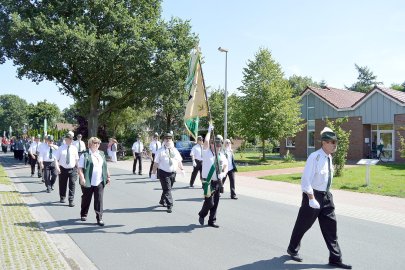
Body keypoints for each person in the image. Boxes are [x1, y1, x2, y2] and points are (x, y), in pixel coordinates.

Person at [286, 127, 352, 269]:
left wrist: (326, 196)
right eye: (332, 142)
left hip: (327, 196)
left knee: (331, 228)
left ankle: (335, 258)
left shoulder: (329, 157)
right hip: (313, 196)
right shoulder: (314, 157)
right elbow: (305, 181)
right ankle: (292, 248)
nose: (335, 145)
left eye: (336, 142)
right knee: (303, 225)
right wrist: (311, 198)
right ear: (324, 143)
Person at [198, 125, 227, 228]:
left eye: (219, 145)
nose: (217, 146)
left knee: (216, 203)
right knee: (209, 202)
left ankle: (212, 221)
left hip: (217, 182)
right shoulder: (206, 153)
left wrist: (223, 174)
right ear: (211, 144)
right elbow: (205, 142)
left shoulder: (222, 156)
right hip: (208, 182)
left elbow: (226, 166)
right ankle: (202, 214)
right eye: (215, 144)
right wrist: (209, 130)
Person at [78, 137, 111, 226]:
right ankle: (84, 214)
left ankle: (99, 218)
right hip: (88, 181)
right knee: (86, 198)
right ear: (90, 144)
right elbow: (80, 168)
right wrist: (82, 178)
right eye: (95, 143)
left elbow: (105, 165)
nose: (97, 145)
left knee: (99, 199)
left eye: (98, 143)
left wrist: (108, 176)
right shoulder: (85, 155)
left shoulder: (101, 153)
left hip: (99, 180)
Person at [150, 132, 185, 213]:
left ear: (171, 139)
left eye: (169, 138)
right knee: (167, 189)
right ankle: (170, 205)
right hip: (163, 173)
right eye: (166, 138)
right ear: (164, 140)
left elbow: (179, 161)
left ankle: (162, 201)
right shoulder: (160, 151)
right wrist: (153, 173)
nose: (168, 140)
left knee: (167, 189)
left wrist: (182, 169)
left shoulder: (175, 150)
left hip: (173, 173)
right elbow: (156, 163)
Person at [55, 133, 79, 207]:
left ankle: (71, 200)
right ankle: (62, 196)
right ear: (65, 140)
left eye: (71, 139)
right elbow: (56, 159)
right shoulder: (60, 148)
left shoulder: (74, 148)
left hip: (72, 169)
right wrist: (57, 167)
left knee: (72, 184)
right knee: (62, 184)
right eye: (68, 139)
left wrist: (78, 169)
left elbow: (76, 159)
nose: (69, 141)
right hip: (63, 169)